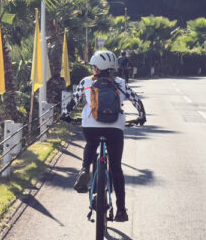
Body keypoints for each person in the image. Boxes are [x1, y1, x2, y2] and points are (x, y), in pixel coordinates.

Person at [62, 50, 146, 222]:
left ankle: (85, 169)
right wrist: (141, 116)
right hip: (115, 128)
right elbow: (136, 100)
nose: (92, 68)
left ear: (97, 68)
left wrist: (66, 115)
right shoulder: (121, 83)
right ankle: (121, 210)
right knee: (116, 168)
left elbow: (73, 102)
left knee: (91, 144)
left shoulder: (86, 82)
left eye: (94, 66)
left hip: (90, 126)